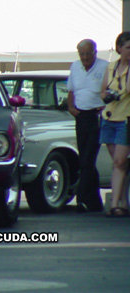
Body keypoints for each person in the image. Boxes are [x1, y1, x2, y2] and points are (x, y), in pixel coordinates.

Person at [66, 39, 108, 213]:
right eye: (81, 54)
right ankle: (96, 202)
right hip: (80, 116)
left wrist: (105, 107)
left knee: (87, 159)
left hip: (96, 116)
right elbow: (71, 90)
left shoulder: (105, 66)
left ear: (94, 53)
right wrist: (70, 107)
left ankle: (81, 198)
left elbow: (112, 91)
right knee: (85, 158)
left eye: (87, 54)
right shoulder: (75, 67)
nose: (84, 57)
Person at [100, 32, 130, 217]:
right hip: (109, 117)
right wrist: (107, 95)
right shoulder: (111, 66)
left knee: (119, 162)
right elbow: (102, 91)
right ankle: (123, 200)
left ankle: (115, 204)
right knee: (119, 163)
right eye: (127, 48)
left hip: (126, 118)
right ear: (119, 48)